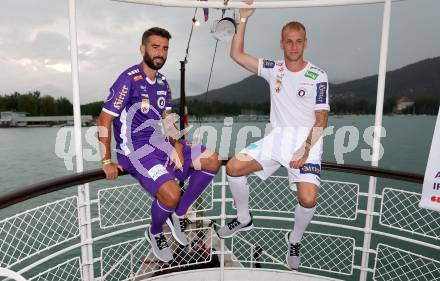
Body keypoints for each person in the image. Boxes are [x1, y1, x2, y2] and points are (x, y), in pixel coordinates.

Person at [216, 1, 330, 270]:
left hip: (307, 142)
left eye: (298, 41)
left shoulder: (318, 75)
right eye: (289, 41)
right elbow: (237, 54)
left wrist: (305, 149)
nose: (293, 46)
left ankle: (294, 238)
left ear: (305, 43)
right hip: (277, 138)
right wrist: (243, 19)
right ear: (281, 43)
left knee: (308, 198)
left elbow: (322, 119)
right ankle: (243, 217)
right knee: (233, 167)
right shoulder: (274, 68)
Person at [97, 27, 221, 263]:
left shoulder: (163, 82)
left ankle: (180, 214)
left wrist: (176, 145)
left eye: (164, 48)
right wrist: (105, 161)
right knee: (171, 194)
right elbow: (104, 120)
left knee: (212, 159)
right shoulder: (129, 79)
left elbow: (167, 119)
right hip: (136, 152)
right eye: (155, 47)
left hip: (162, 145)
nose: (160, 53)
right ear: (142, 48)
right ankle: (154, 232)